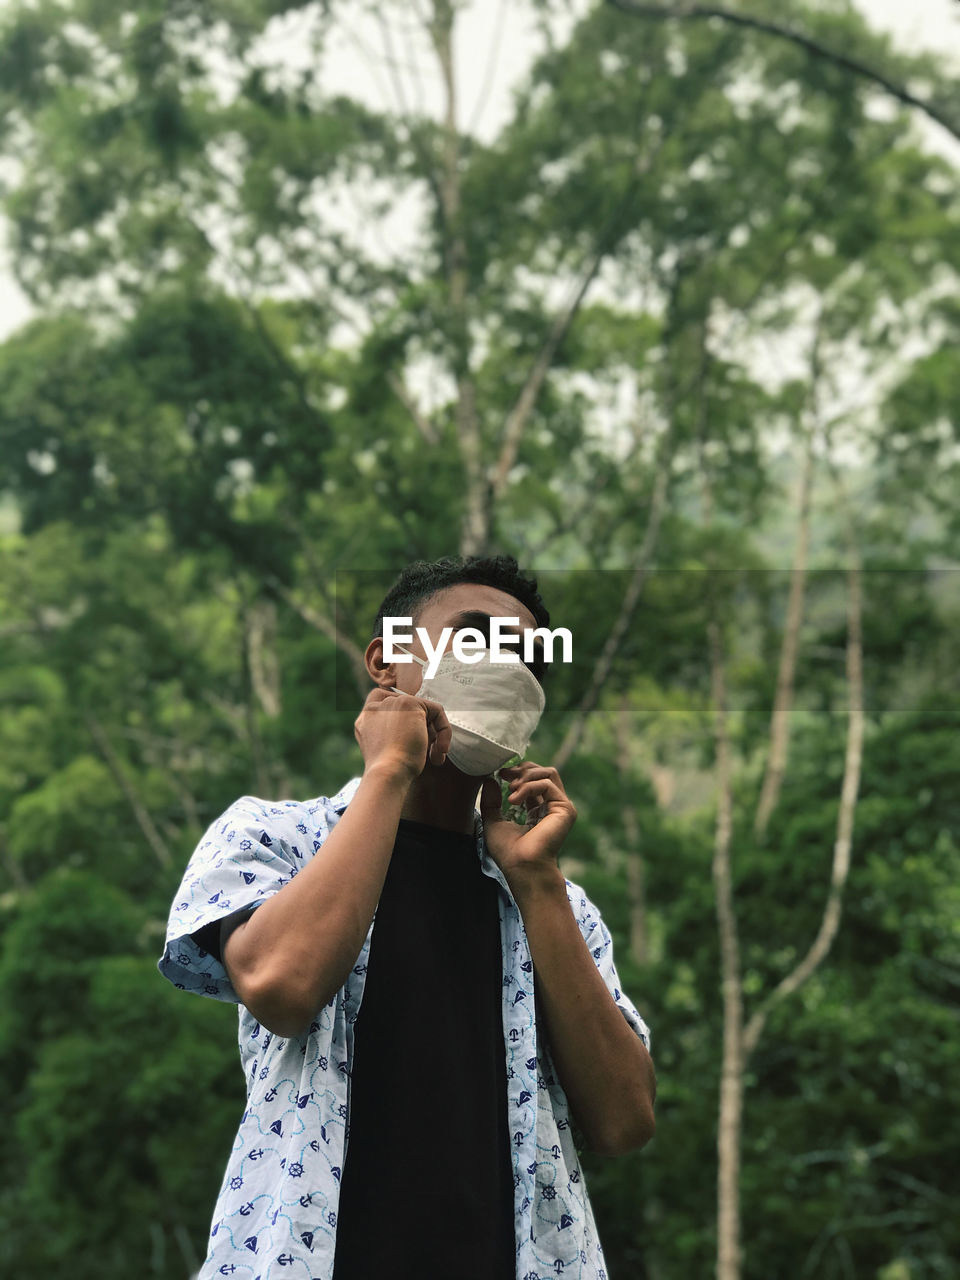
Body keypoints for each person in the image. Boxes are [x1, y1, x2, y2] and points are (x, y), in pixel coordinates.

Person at [158, 553, 656, 1280]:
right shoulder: (274, 839)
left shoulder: (559, 907)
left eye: (527, 659)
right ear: (386, 664)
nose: (504, 666)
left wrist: (536, 880)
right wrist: (391, 769)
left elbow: (624, 1121)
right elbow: (281, 986)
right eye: (474, 637)